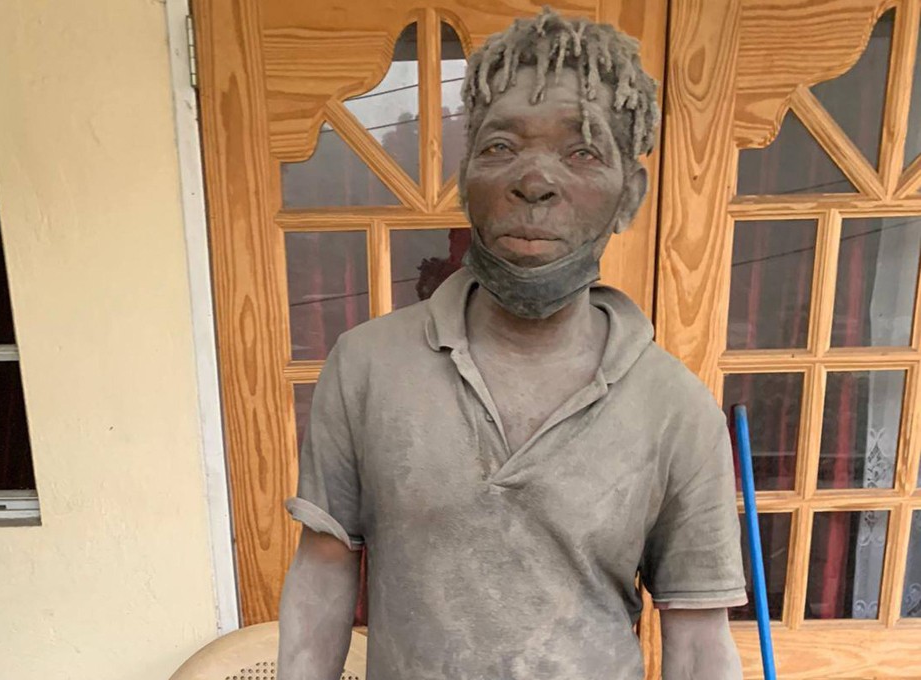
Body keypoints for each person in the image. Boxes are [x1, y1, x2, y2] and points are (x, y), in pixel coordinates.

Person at [277, 8, 746, 679]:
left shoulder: (675, 407)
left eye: (581, 151)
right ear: (465, 176)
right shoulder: (367, 367)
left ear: (629, 194)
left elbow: (699, 637)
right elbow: (324, 572)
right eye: (501, 147)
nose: (535, 181)